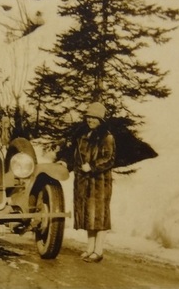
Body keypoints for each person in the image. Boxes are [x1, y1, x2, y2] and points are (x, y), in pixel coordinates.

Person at [57, 102, 116, 263]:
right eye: (88, 117)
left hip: (99, 184)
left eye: (94, 118)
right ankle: (89, 249)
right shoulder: (83, 136)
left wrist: (92, 166)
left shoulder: (107, 137)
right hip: (84, 182)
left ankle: (99, 250)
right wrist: (66, 163)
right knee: (88, 217)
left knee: (100, 217)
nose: (90, 120)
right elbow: (75, 156)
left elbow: (109, 159)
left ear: (101, 120)